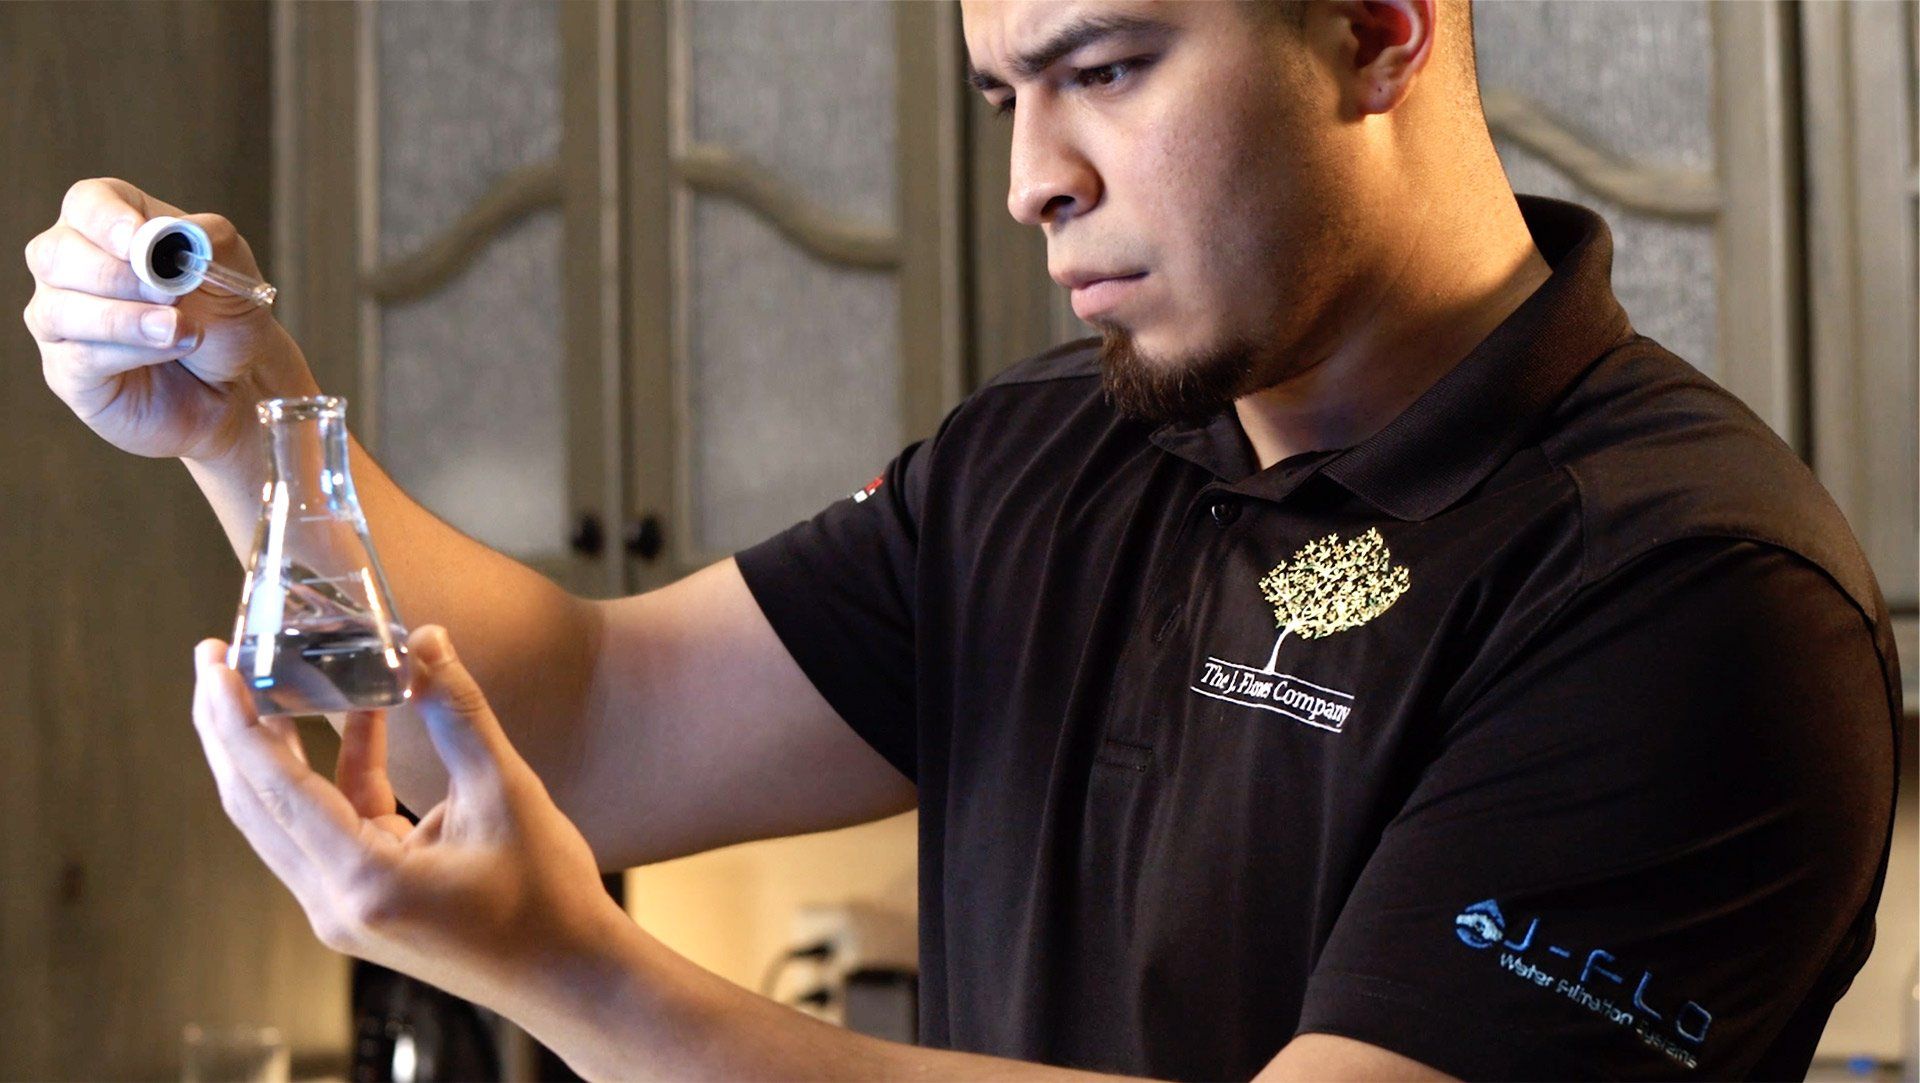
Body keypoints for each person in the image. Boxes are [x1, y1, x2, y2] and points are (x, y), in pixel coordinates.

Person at [22, 1, 1901, 1079]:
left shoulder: (1693, 591)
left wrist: (576, 974)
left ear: (1378, 29)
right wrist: (245, 417)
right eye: (1009, 94)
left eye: (1110, 65)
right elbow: (581, 721)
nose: (1031, 180)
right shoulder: (1047, 459)